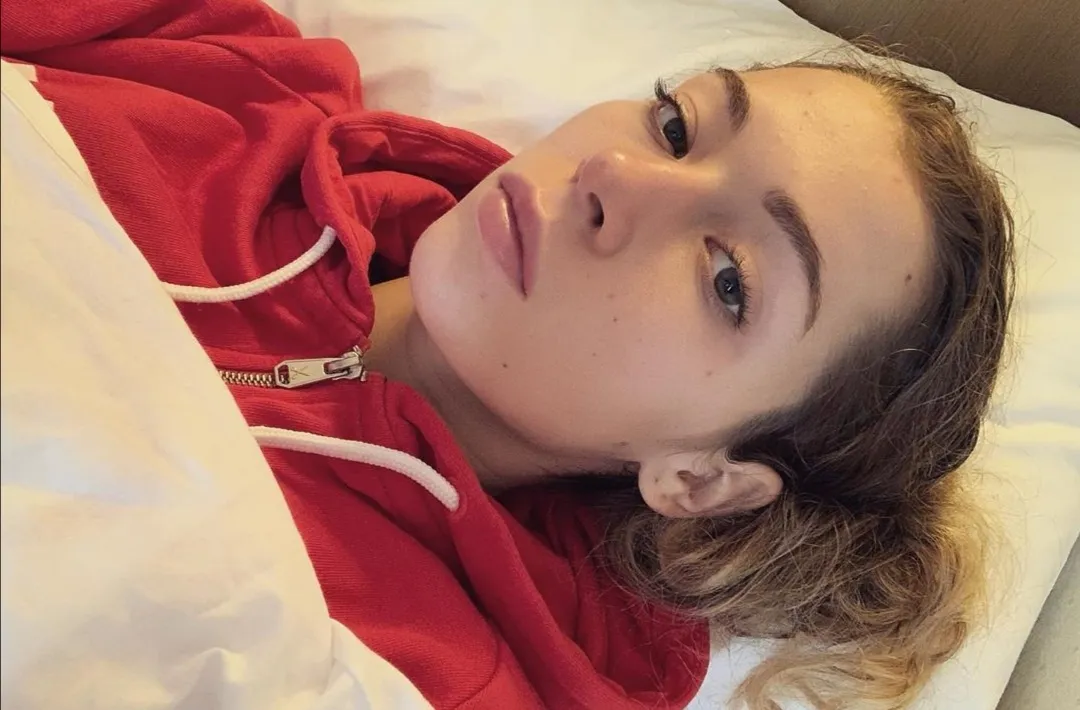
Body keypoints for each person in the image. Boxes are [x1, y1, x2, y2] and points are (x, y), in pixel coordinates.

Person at [2, 0, 1013, 708]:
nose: (614, 173)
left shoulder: (421, 669)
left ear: (701, 478)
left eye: (728, 279)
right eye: (676, 126)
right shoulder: (231, 78)